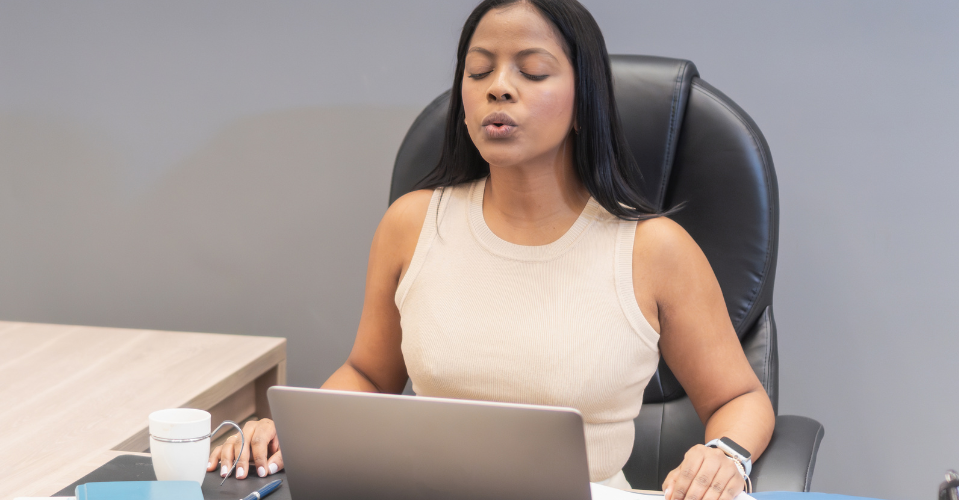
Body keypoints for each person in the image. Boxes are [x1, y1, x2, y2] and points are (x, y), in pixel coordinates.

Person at [209, 1, 775, 499]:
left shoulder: (654, 250)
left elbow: (740, 396)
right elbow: (369, 375)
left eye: (531, 71)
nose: (498, 86)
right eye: (479, 71)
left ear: (585, 104)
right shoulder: (411, 225)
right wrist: (298, 428)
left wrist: (727, 455)